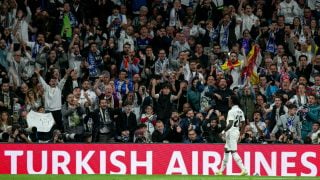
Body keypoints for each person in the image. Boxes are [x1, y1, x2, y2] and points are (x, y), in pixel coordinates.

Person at [216, 95, 247, 176]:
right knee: (226, 149)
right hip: (236, 132)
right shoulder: (240, 111)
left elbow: (230, 124)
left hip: (231, 133)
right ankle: (221, 171)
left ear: (232, 101)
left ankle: (244, 169)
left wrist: (222, 132)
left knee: (233, 151)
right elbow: (243, 123)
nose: (228, 101)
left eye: (229, 100)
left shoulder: (231, 111)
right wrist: (241, 134)